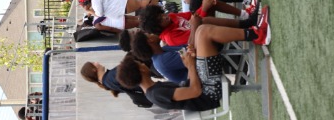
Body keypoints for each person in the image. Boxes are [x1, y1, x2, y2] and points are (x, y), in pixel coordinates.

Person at [116, 15, 271, 111]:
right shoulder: (156, 93)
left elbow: (188, 83)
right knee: (203, 32)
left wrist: (190, 61)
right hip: (210, 93)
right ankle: (257, 34)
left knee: (202, 29)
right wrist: (190, 65)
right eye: (140, 64)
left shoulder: (154, 90)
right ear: (141, 70)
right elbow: (195, 91)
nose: (143, 64)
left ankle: (252, 30)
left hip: (204, 84)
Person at [139, 0, 261, 47]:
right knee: (205, 21)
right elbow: (196, 34)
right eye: (160, 20)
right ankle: (248, 28)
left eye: (161, 14)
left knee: (211, 2)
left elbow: (193, 16)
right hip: (207, 43)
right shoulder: (170, 37)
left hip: (204, 28)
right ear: (158, 27)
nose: (164, 17)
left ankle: (246, 14)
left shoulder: (171, 16)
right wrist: (203, 9)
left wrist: (205, 4)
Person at [120, 29, 189, 84]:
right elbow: (190, 55)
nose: (152, 34)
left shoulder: (162, 50)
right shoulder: (162, 60)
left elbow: (185, 48)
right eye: (150, 34)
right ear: (150, 40)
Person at [78, 0, 156, 33]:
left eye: (83, 6)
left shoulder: (95, 2)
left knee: (140, 3)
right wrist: (89, 11)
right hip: (119, 6)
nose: (84, 8)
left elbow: (99, 14)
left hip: (120, 6)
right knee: (140, 5)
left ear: (86, 2)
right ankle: (157, 2)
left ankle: (157, 2)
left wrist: (89, 10)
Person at [80, 60, 152, 107]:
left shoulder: (107, 82)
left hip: (147, 88)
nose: (96, 62)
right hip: (149, 83)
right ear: (94, 69)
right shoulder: (112, 76)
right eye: (93, 63)